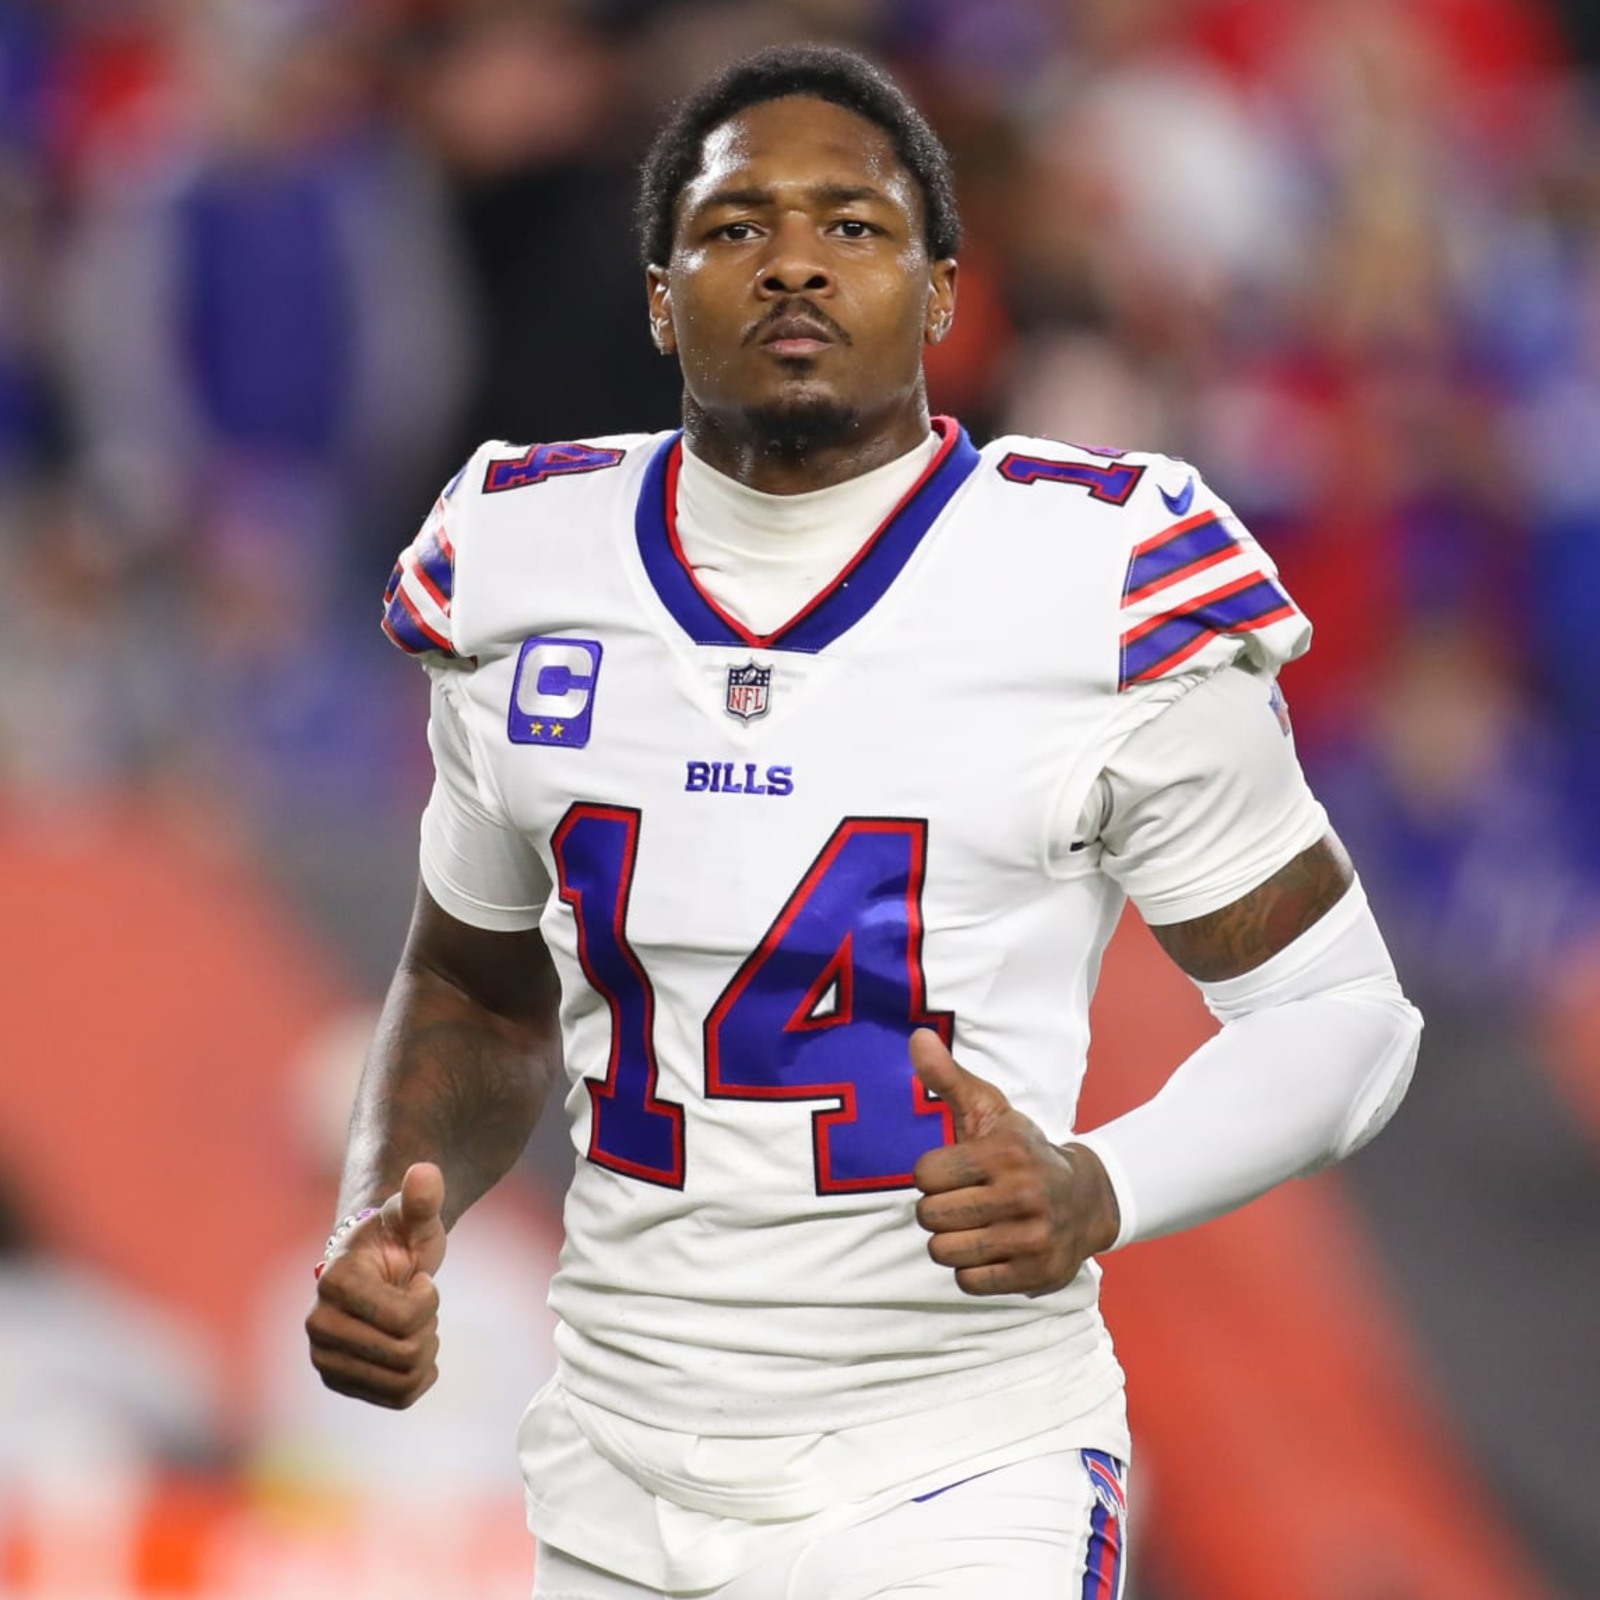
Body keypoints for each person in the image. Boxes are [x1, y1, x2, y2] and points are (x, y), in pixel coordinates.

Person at [306, 44, 1423, 1600]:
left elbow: (1342, 1015)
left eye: (854, 225)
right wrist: (382, 1215)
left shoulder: (1095, 576)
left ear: (946, 290)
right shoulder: (518, 556)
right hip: (612, 1468)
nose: (792, 264)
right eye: (734, 223)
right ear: (656, 293)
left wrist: (1103, 1186)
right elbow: (477, 986)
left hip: (952, 1467)